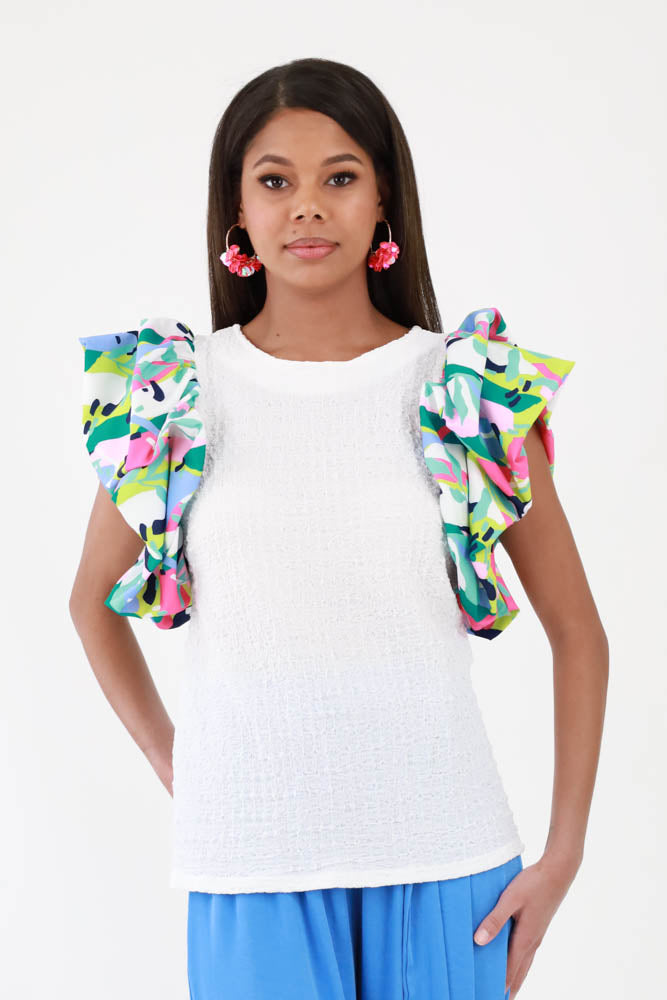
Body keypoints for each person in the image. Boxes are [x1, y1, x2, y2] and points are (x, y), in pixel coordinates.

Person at [69, 57, 609, 1000]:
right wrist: (180, 765)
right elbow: (90, 605)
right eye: (275, 181)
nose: (308, 207)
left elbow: (578, 633)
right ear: (237, 208)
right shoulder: (174, 394)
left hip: (447, 856)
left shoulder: (465, 389)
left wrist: (562, 857)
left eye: (340, 176)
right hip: (250, 864)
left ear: (382, 197)